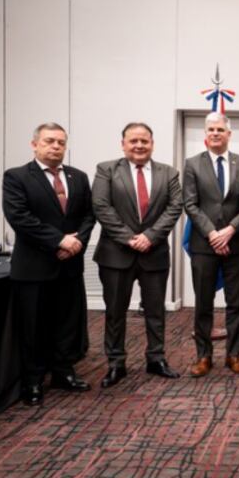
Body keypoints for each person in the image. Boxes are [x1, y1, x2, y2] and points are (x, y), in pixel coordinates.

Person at [2, 123, 95, 405]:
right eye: (49, 141)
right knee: (33, 326)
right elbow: (19, 217)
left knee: (67, 323)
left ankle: (63, 372)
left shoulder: (78, 177)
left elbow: (89, 215)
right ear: (35, 145)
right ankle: (32, 381)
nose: (55, 147)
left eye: (60, 142)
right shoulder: (17, 176)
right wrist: (59, 241)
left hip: (69, 265)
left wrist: (76, 242)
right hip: (34, 267)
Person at [92, 123, 183, 385]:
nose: (139, 145)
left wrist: (150, 236)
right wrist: (129, 238)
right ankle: (116, 363)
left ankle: (156, 358)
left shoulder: (169, 173)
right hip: (116, 254)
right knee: (115, 311)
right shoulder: (107, 170)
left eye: (145, 141)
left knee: (155, 311)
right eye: (133, 141)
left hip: (154, 253)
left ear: (152, 144)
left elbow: (174, 207)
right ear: (123, 144)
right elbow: (101, 206)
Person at [183, 113, 239, 376]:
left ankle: (234, 355)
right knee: (203, 302)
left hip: (237, 245)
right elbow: (190, 204)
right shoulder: (192, 164)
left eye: (220, 130)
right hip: (204, 245)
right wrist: (213, 234)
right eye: (211, 129)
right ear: (205, 133)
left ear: (228, 134)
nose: (215, 133)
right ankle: (203, 355)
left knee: (235, 303)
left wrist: (230, 230)